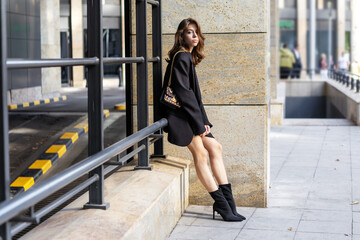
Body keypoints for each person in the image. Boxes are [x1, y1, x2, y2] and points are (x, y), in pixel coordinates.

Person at [159, 18, 245, 222]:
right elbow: (184, 94)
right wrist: (199, 124)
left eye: (196, 32)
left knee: (216, 148)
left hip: (190, 115)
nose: (195, 36)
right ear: (181, 35)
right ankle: (223, 206)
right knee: (201, 155)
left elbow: (195, 97)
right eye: (190, 32)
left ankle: (229, 203)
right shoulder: (182, 57)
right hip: (180, 117)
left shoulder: (187, 57)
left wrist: (204, 121)